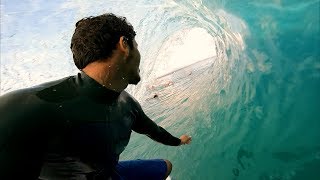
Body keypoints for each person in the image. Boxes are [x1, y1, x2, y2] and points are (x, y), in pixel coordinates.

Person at [0, 13, 192, 180]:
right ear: (124, 44)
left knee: (166, 166)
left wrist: (178, 141)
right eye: (137, 46)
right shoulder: (22, 109)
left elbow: (154, 131)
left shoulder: (127, 103)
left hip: (110, 173)